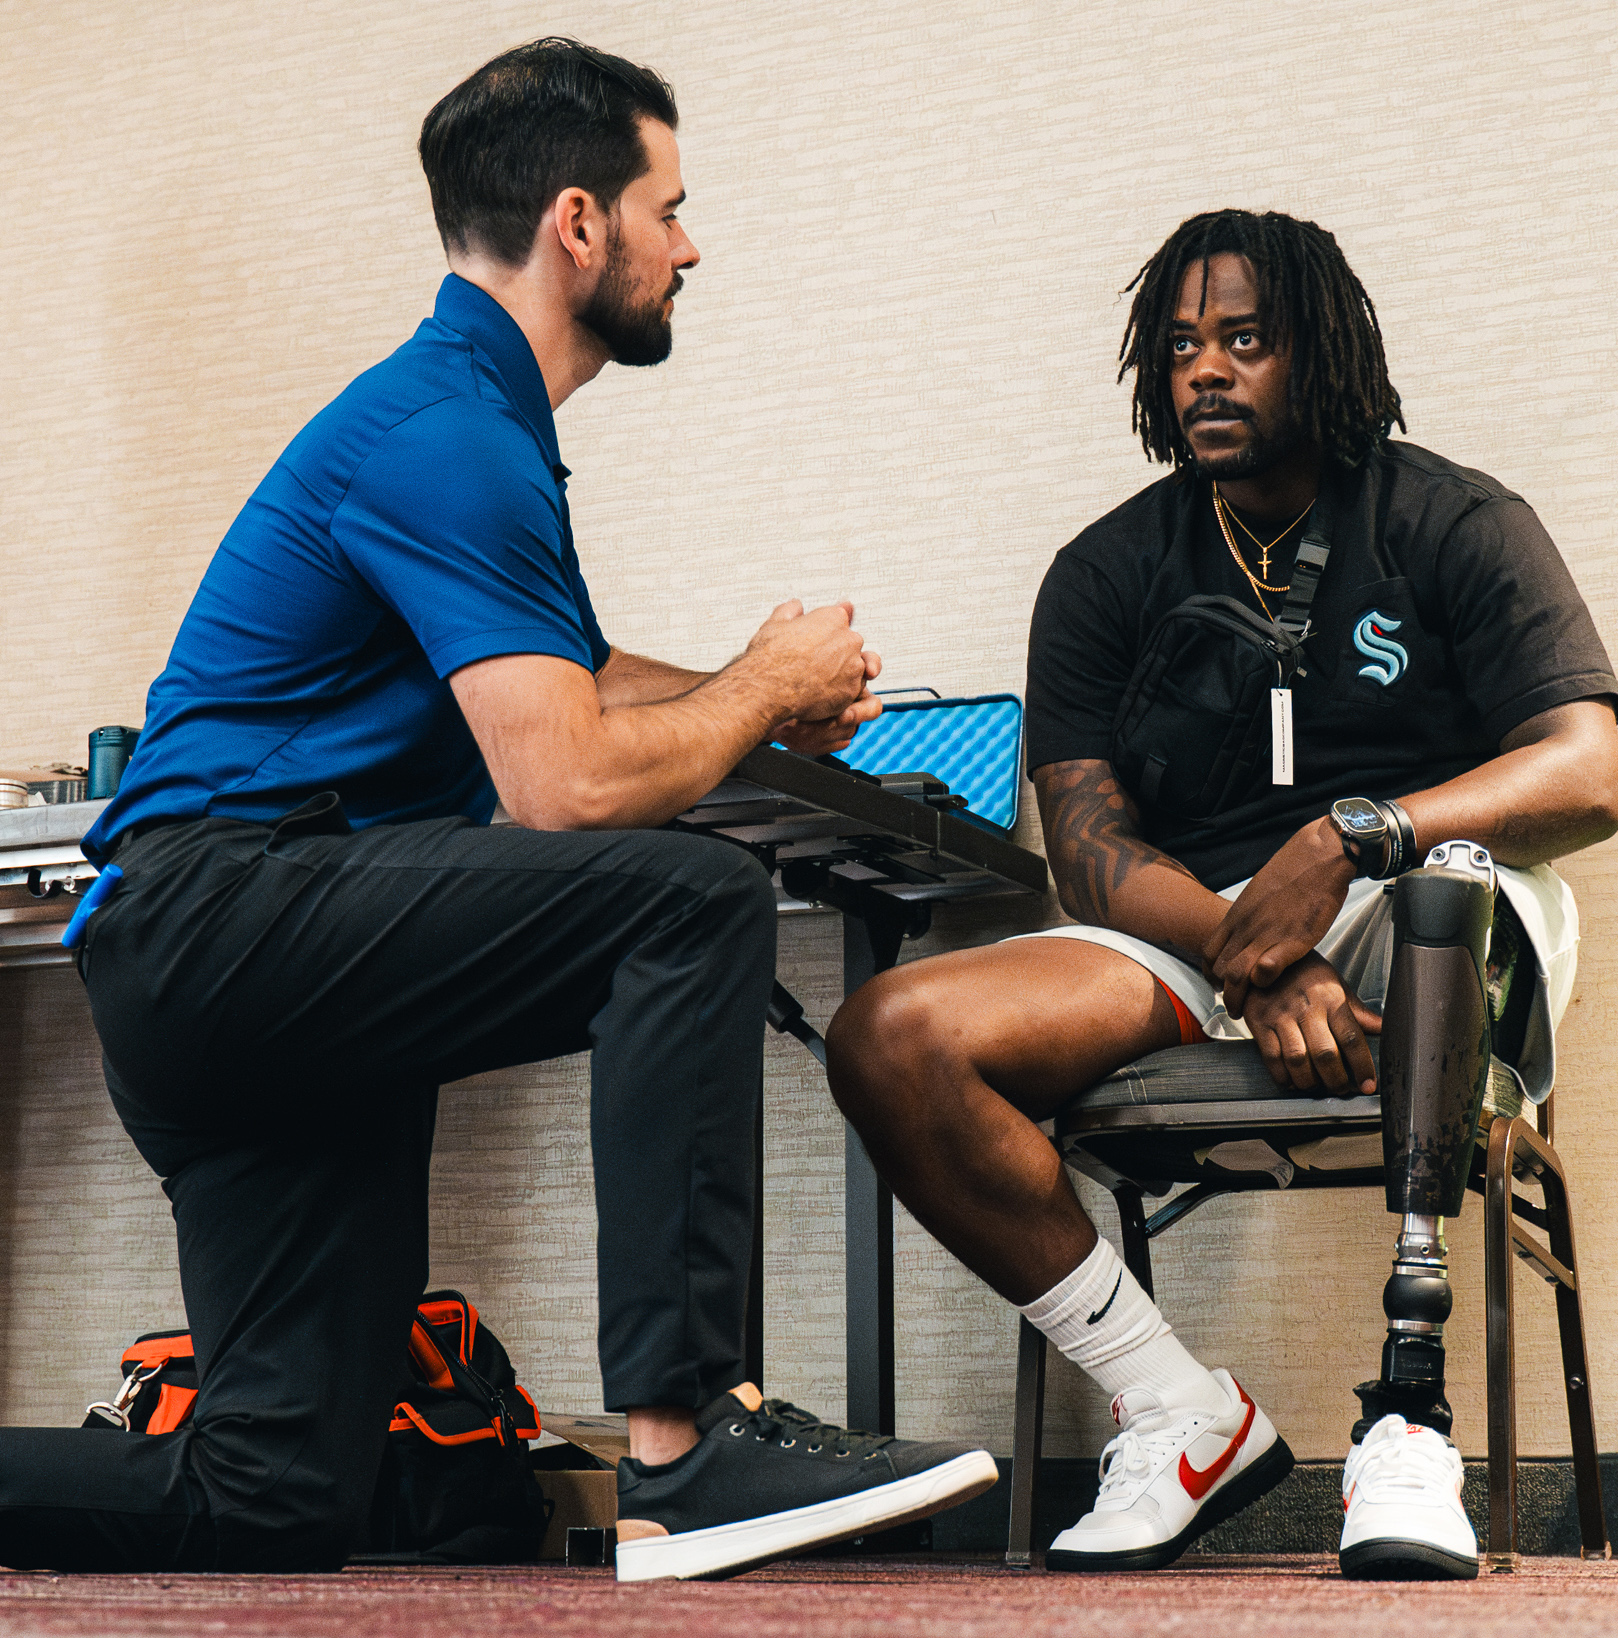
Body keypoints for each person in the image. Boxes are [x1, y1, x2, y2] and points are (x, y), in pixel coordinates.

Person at [0, 39, 995, 1582]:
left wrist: (763, 693)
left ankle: (654, 1449)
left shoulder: (466, 416)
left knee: (274, 1494)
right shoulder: (449, 434)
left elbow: (569, 675)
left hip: (241, 959)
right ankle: (683, 1445)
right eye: (671, 207)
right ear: (580, 225)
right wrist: (758, 675)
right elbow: (565, 780)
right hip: (224, 922)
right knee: (688, 896)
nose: (692, 243)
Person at [827, 209, 1618, 1580]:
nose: (1205, 370)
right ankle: (1176, 1403)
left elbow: (1587, 768)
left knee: (1445, 893)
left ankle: (1408, 1421)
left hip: (1421, 897)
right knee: (889, 1036)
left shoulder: (1451, 519)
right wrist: (1255, 957)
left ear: (1320, 351)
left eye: (1243, 339)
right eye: (1182, 343)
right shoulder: (1104, 572)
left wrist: (1357, 832)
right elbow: (1085, 844)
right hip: (1198, 925)